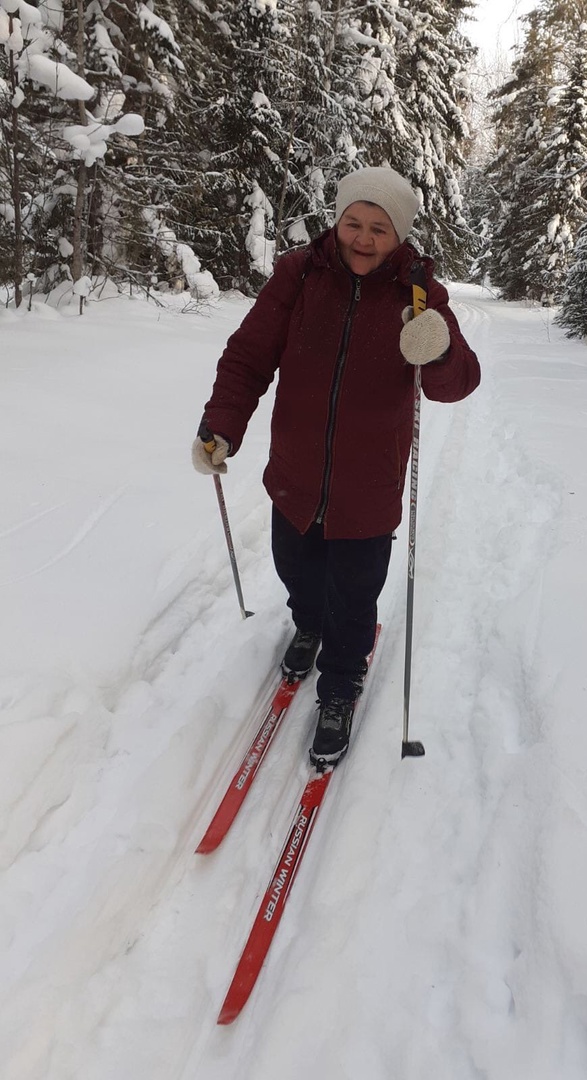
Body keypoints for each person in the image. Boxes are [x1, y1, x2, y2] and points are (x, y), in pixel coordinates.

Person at [192, 166, 480, 767]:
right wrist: (222, 424)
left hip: (367, 487)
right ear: (337, 220)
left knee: (353, 595)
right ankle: (308, 622)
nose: (363, 238)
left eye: (380, 228)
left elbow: (455, 384)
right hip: (295, 476)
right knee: (296, 569)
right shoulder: (300, 275)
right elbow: (249, 355)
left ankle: (342, 680)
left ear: (398, 235)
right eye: (354, 222)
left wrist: (440, 348)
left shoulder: (418, 294)